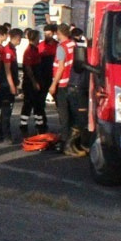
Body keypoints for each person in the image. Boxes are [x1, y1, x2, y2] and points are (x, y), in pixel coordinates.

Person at [48, 23, 77, 154]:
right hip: (73, 83)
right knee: (72, 116)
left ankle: (65, 143)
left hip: (63, 84)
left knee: (64, 116)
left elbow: (60, 67)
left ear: (59, 34)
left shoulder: (61, 47)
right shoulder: (73, 44)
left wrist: (53, 84)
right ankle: (73, 141)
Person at [65, 27, 91, 157]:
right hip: (76, 88)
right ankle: (69, 146)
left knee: (83, 119)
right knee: (79, 119)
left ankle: (79, 144)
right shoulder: (79, 53)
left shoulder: (89, 53)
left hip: (81, 88)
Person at [0, 28, 22, 141]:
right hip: (6, 85)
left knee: (7, 110)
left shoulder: (12, 49)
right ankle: (6, 134)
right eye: (20, 38)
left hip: (8, 83)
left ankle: (3, 132)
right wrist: (12, 85)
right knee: (6, 110)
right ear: (16, 38)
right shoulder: (8, 50)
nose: (20, 41)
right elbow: (7, 70)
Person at [19, 27, 45, 137]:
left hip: (35, 81)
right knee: (28, 104)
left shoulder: (35, 49)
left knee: (38, 105)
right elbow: (29, 68)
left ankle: (40, 126)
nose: (39, 40)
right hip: (30, 83)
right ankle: (23, 126)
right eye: (38, 38)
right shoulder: (29, 51)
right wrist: (34, 82)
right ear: (34, 39)